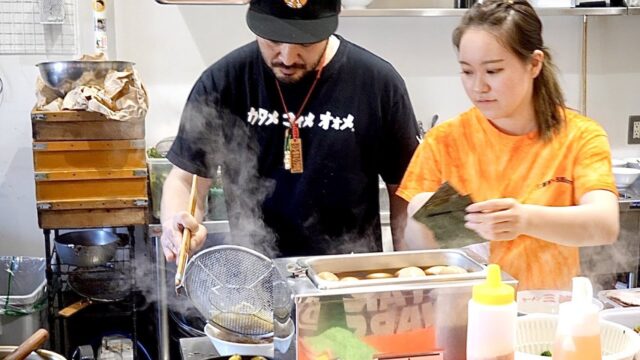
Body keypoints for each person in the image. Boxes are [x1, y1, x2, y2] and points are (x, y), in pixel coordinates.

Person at [160, 0, 421, 261]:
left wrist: (409, 272)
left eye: (305, 43)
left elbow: (404, 190)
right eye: (273, 39)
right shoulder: (224, 81)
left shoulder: (377, 84)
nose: (287, 57)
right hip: (257, 275)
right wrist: (177, 224)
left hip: (349, 276)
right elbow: (185, 179)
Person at [397, 0, 619, 290]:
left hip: (545, 311)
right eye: (467, 71)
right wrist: (426, 218)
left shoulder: (578, 135)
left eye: (493, 71)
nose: (478, 87)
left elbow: (605, 224)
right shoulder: (445, 141)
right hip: (466, 312)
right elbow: (415, 248)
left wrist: (524, 219)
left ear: (534, 64)